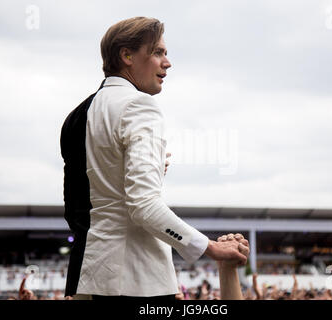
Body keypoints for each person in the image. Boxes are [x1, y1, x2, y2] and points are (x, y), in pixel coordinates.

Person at [61, 17, 248, 300]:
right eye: (158, 52)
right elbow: (143, 205)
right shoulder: (139, 105)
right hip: (136, 280)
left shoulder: (76, 116)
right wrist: (210, 247)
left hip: (88, 276)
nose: (167, 62)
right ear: (127, 56)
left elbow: (79, 206)